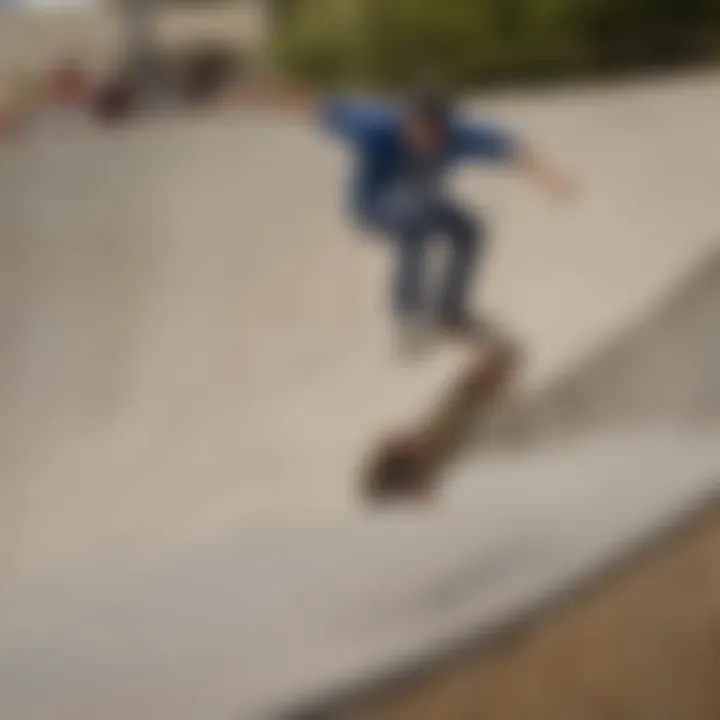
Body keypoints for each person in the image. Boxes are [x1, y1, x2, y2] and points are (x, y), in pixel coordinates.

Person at [245, 82, 575, 353]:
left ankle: (450, 312)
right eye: (416, 131)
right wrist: (257, 95)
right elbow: (316, 106)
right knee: (413, 219)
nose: (423, 140)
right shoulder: (374, 126)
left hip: (425, 205)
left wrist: (552, 178)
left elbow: (514, 149)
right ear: (405, 121)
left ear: (444, 129)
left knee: (471, 229)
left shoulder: (460, 135)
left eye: (432, 135)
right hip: (371, 207)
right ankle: (408, 318)